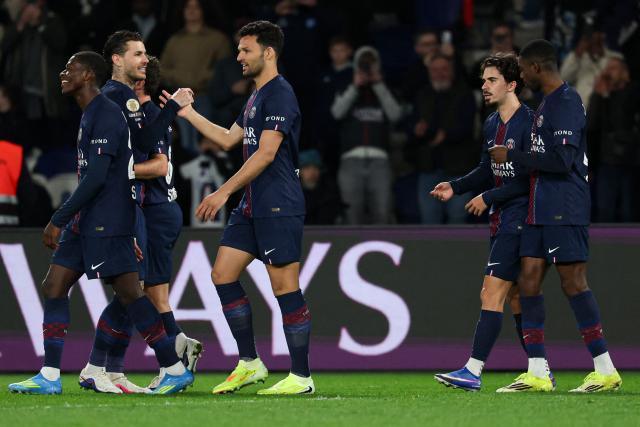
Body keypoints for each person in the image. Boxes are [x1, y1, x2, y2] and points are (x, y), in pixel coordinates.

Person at [8, 51, 192, 395]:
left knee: (130, 294)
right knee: (54, 284)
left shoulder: (106, 114)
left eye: (69, 69)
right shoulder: (91, 112)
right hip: (88, 218)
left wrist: (58, 218)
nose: (63, 73)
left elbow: (96, 178)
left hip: (109, 218)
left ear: (89, 75)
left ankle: (173, 367)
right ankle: (49, 375)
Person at [163, 20, 314, 395]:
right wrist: (189, 113)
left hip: (278, 202)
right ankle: (250, 362)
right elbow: (230, 139)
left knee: (284, 287)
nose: (238, 56)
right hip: (252, 203)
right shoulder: (255, 96)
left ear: (268, 52)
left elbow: (265, 154)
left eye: (245, 50)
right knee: (222, 274)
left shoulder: (280, 93)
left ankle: (301, 376)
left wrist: (223, 192)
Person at [489, 39, 622, 393]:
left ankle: (604, 367)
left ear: (536, 68)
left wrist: (512, 156)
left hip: (565, 206)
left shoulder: (566, 103)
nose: (520, 75)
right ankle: (536, 371)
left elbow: (562, 162)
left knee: (573, 281)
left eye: (522, 68)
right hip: (540, 208)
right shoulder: (546, 105)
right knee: (527, 278)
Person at [76, 30, 195, 394]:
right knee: (134, 290)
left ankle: (105, 368)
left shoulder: (118, 100)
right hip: (121, 208)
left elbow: (141, 144)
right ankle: (109, 365)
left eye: (146, 55)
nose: (145, 59)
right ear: (116, 59)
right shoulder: (117, 97)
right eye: (138, 53)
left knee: (134, 290)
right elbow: (126, 160)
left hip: (132, 207)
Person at [431, 53, 540, 391]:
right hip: (502, 218)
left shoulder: (531, 123)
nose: (484, 86)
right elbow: (486, 170)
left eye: (492, 80)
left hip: (521, 217)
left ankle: (473, 370)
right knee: (518, 296)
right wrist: (457, 186)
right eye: (483, 80)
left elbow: (529, 179)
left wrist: (488, 198)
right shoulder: (493, 123)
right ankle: (540, 369)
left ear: (512, 84)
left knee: (490, 292)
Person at [331, 45, 402, 224]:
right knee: (351, 214)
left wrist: (378, 84)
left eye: (371, 64)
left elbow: (395, 114)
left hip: (380, 161)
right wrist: (355, 86)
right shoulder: (346, 87)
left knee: (383, 211)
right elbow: (336, 113)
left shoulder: (386, 89)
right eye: (364, 64)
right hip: (350, 161)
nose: (367, 68)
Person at [410, 53, 476, 224]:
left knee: (458, 218)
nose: (440, 73)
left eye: (444, 69)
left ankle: (457, 252)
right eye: (435, 70)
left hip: (458, 168)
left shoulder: (464, 94)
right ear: (429, 72)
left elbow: (467, 127)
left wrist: (445, 135)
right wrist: (417, 130)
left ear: (452, 71)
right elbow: (413, 125)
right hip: (428, 166)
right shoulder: (422, 94)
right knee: (429, 220)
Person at [161, 0, 231, 154]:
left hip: (206, 96)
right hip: (178, 98)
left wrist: (200, 77)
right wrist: (180, 76)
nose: (192, 11)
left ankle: (203, 166)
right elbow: (162, 70)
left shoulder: (218, 39)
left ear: (203, 10)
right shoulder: (174, 41)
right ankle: (189, 168)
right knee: (184, 140)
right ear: (182, 10)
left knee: (205, 137)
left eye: (196, 7)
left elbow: (227, 70)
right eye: (188, 7)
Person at [587, 57, 640, 222]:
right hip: (606, 161)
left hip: (631, 162)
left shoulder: (634, 92)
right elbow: (591, 125)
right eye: (607, 69)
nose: (607, 73)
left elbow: (620, 122)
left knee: (628, 211)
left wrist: (610, 96)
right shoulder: (604, 96)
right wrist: (597, 95)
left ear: (625, 74)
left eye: (613, 69)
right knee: (604, 211)